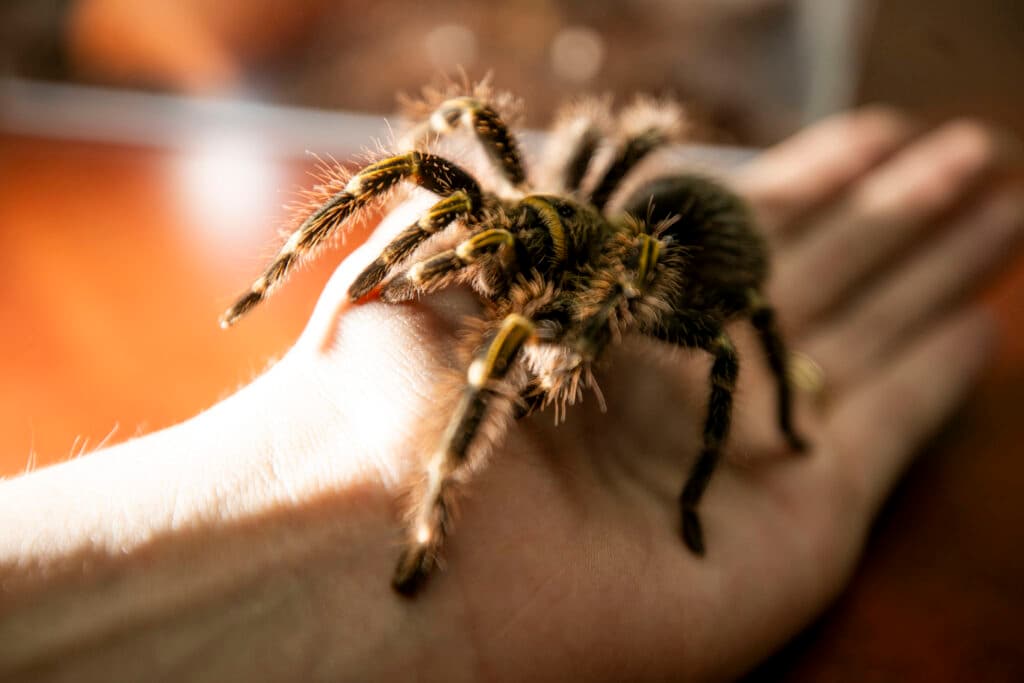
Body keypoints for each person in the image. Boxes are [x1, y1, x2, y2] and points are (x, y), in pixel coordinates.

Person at [1, 107, 1021, 681]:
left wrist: (728, 432)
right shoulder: (508, 207)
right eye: (490, 227)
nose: (483, 246)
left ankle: (433, 508)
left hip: (683, 253)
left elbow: (574, 344)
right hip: (598, 226)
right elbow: (447, 130)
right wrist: (298, 284)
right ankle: (274, 281)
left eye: (500, 242)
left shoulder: (610, 286)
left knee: (712, 339)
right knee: (418, 158)